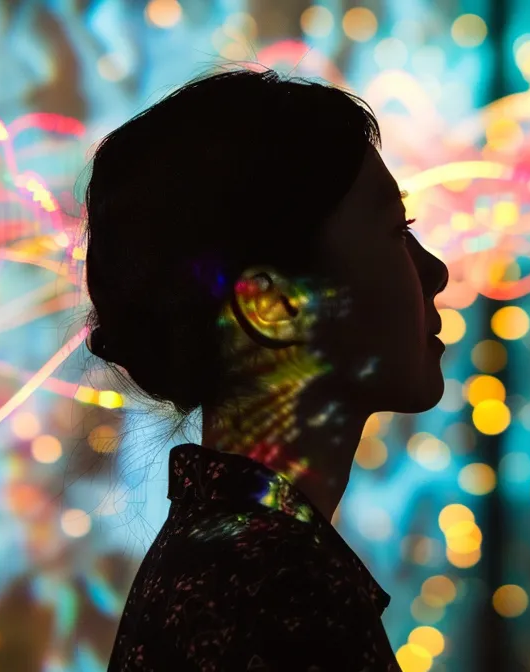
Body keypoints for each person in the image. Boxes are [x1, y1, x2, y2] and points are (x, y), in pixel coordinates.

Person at [83, 68, 449, 670]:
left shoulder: (226, 560)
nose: (434, 271)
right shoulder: (278, 592)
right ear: (272, 306)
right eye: (394, 232)